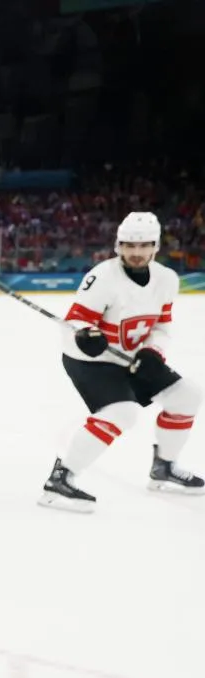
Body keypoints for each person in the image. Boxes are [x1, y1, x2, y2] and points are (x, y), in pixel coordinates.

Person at [39, 211, 203, 511]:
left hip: (133, 358)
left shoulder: (166, 279)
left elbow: (162, 327)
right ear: (118, 245)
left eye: (144, 246)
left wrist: (154, 352)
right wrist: (85, 335)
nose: (136, 253)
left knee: (187, 397)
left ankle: (163, 468)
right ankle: (59, 481)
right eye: (129, 245)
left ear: (155, 246)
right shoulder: (102, 277)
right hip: (90, 361)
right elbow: (75, 322)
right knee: (122, 413)